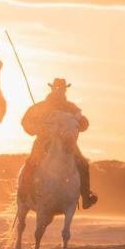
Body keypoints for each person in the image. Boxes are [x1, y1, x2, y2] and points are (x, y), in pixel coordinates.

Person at [20, 78, 97, 209]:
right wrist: (38, 128)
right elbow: (25, 122)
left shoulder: (72, 108)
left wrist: (80, 123)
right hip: (43, 142)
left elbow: (84, 123)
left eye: (62, 89)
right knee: (31, 163)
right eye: (57, 88)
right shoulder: (40, 106)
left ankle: (86, 197)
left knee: (83, 164)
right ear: (52, 89)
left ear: (65, 90)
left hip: (68, 143)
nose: (59, 91)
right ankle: (24, 193)